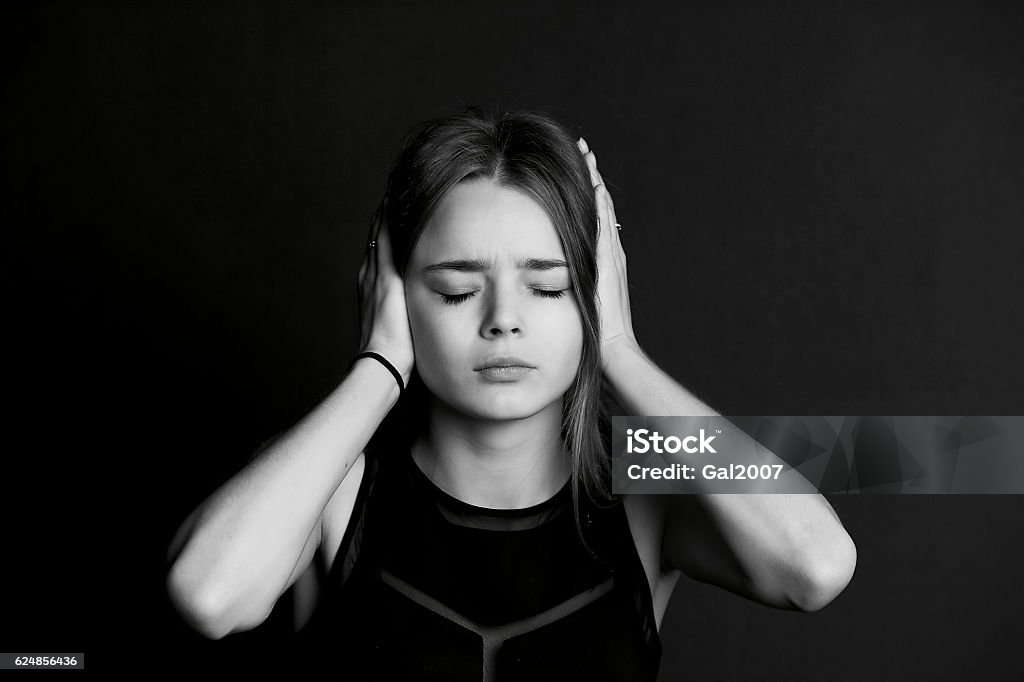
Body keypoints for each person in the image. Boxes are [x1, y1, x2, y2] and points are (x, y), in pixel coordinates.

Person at [165, 106, 857, 680]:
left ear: (592, 294)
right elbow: (207, 593)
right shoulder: (339, 486)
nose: (504, 318)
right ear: (398, 296)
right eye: (458, 289)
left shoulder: (641, 484)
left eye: (548, 286)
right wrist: (377, 363)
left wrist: (619, 350)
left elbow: (816, 564)